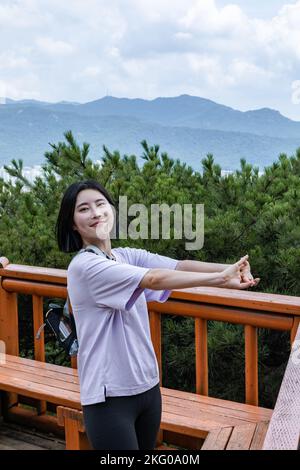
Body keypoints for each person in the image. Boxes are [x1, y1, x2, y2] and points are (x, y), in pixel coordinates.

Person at [56, 180, 259, 450]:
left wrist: (230, 271)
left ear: (112, 210)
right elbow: (153, 279)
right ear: (72, 223)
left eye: (100, 204)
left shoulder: (124, 256)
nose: (95, 212)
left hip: (148, 388)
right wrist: (220, 279)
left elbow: (179, 266)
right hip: (109, 398)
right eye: (83, 208)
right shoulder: (84, 266)